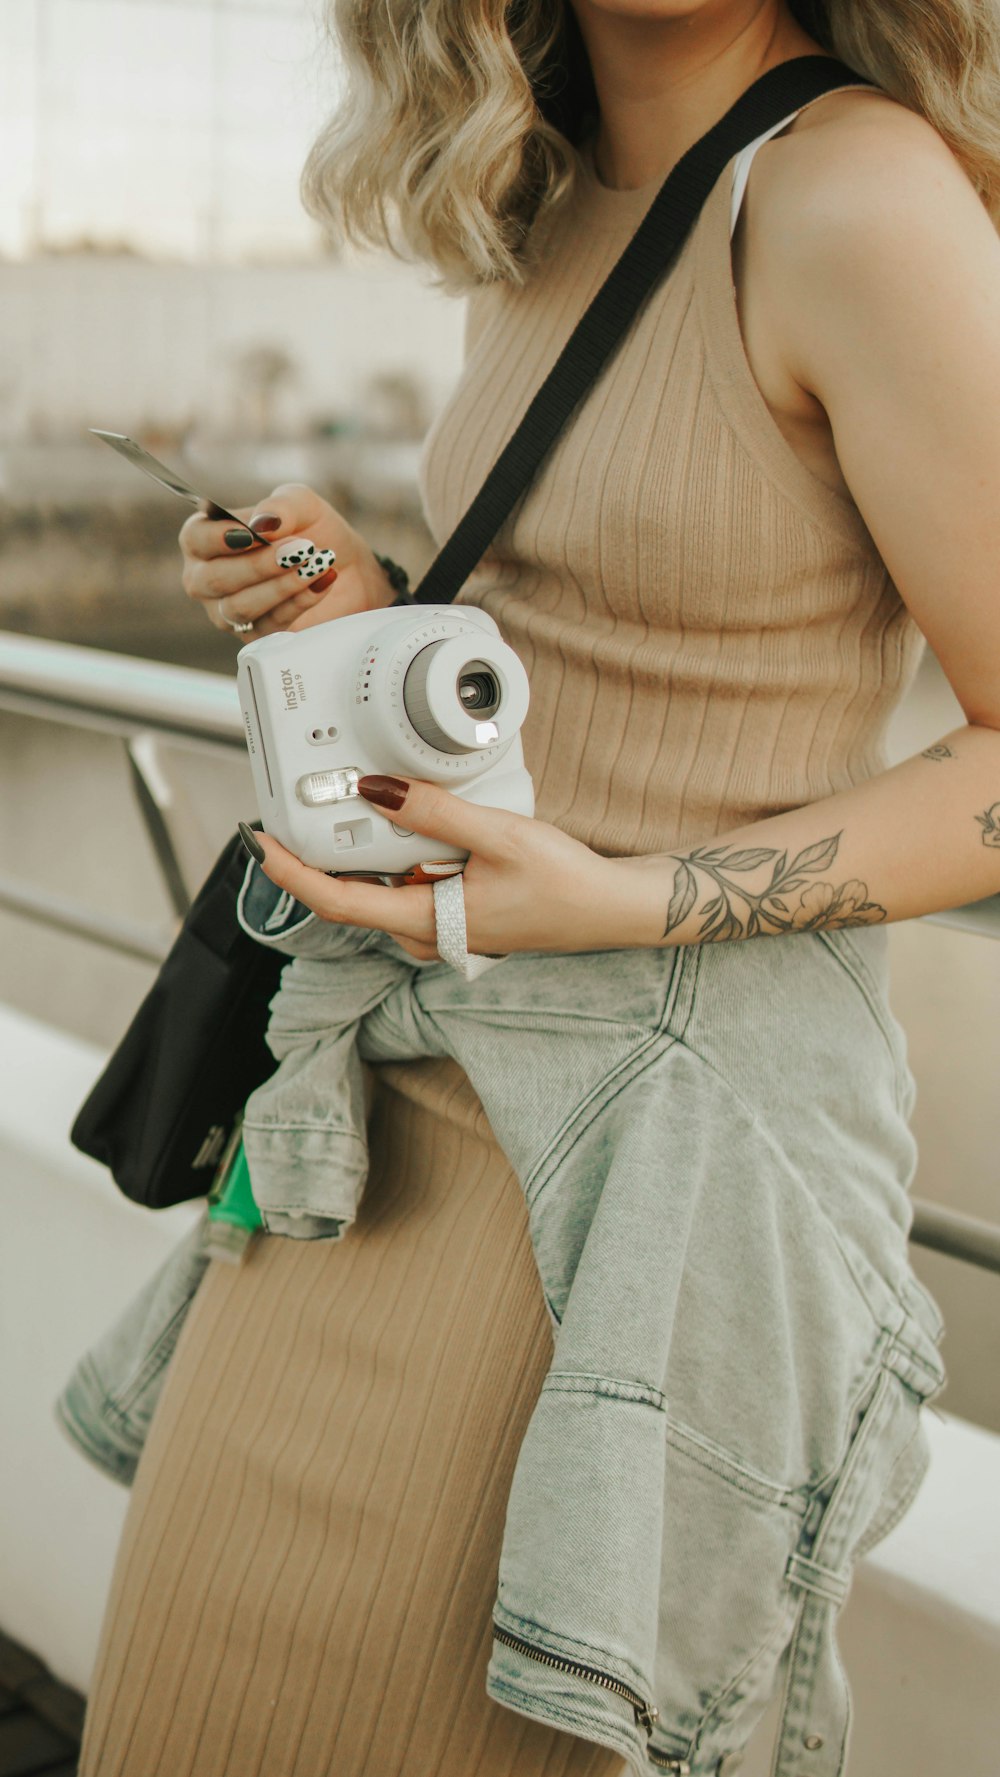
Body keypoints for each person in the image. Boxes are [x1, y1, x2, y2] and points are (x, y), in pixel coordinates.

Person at [72, 1, 1000, 1773]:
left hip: (633, 1181)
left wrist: (631, 897)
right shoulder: (539, 188)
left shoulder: (854, 196)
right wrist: (370, 607)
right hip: (380, 1107)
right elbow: (597, 651)